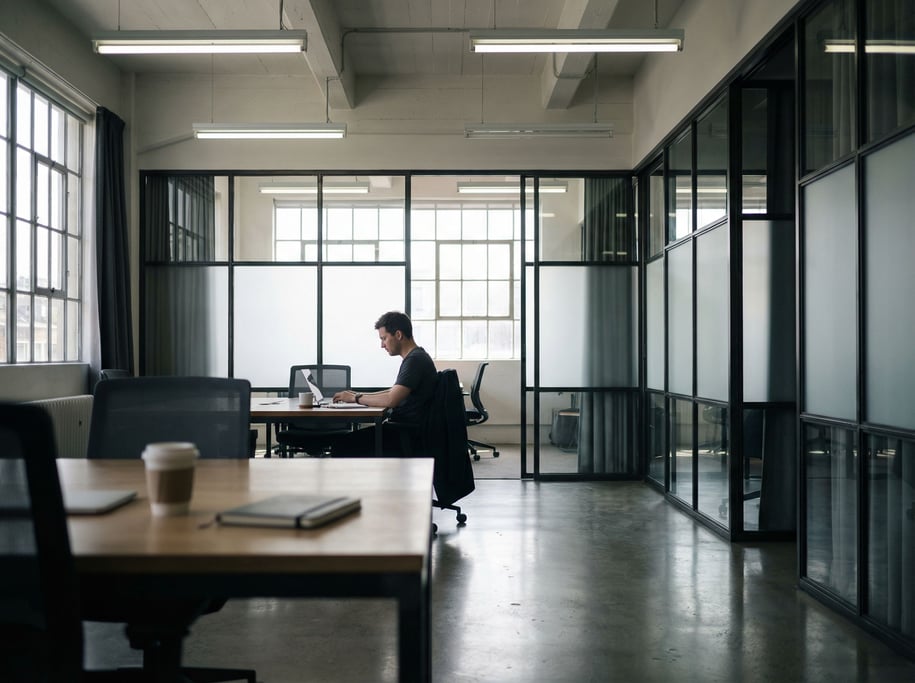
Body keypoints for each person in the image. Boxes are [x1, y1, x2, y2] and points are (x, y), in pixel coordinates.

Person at [329, 311, 437, 456]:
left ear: (398, 335)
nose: (382, 345)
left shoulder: (415, 360)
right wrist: (355, 395)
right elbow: (391, 392)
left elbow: (391, 399)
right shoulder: (416, 357)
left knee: (341, 446)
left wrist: (355, 398)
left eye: (384, 338)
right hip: (404, 431)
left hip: (404, 435)